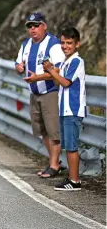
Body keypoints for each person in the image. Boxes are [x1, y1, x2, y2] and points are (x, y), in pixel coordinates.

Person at [15, 12, 66, 178]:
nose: (32, 29)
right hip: (34, 94)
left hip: (49, 92)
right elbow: (18, 62)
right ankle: (54, 163)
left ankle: (54, 165)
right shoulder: (26, 44)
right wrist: (19, 68)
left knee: (53, 132)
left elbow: (58, 70)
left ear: (44, 26)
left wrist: (37, 77)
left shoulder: (53, 44)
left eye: (36, 25)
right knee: (42, 131)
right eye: (30, 26)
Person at [42, 27, 86, 190]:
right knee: (68, 146)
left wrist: (51, 71)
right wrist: (51, 71)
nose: (65, 46)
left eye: (69, 43)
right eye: (63, 42)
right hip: (64, 110)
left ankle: (75, 181)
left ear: (77, 44)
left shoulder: (76, 61)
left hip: (72, 110)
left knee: (72, 147)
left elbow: (66, 82)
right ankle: (71, 178)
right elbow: (58, 79)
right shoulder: (66, 61)